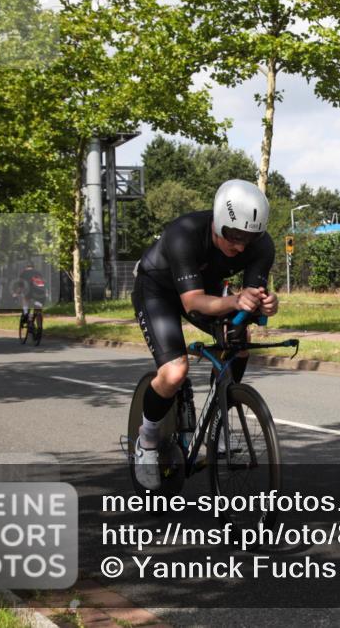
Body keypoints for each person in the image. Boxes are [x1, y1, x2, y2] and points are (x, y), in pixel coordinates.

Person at [132, 179, 278, 490]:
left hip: (205, 290)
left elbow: (252, 298)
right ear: (218, 221)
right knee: (174, 373)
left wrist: (265, 305)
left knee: (239, 343)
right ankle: (146, 442)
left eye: (249, 239)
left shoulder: (262, 246)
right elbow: (192, 302)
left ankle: (218, 422)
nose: (240, 246)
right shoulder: (183, 233)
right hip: (158, 291)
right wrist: (236, 300)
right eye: (234, 236)